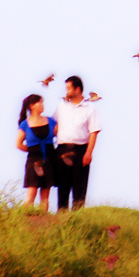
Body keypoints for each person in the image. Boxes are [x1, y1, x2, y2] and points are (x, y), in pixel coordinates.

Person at [53, 76, 100, 211]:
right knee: (63, 186)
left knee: (79, 187)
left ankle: (77, 218)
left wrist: (89, 153)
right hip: (62, 150)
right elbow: (54, 126)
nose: (66, 91)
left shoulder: (90, 108)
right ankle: (61, 217)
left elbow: (94, 131)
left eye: (69, 88)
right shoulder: (61, 107)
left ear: (77, 89)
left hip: (80, 150)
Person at [16, 94, 58, 212]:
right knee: (32, 191)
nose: (42, 105)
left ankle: (43, 220)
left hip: (49, 159)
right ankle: (24, 218)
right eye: (40, 103)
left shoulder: (50, 121)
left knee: (45, 193)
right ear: (32, 106)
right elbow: (18, 144)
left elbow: (59, 134)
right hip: (33, 160)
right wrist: (32, 150)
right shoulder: (25, 124)